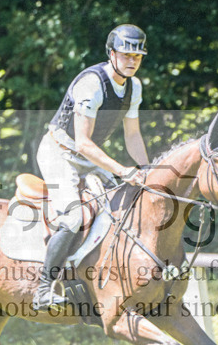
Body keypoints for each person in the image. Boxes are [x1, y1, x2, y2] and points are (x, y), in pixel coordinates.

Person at [33, 23, 151, 310]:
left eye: (137, 56)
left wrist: (148, 171)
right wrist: (123, 170)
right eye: (126, 55)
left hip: (88, 157)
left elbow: (133, 136)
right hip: (59, 153)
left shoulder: (134, 87)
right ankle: (44, 289)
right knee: (74, 216)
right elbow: (83, 143)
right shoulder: (91, 84)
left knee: (123, 206)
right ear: (111, 53)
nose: (132, 61)